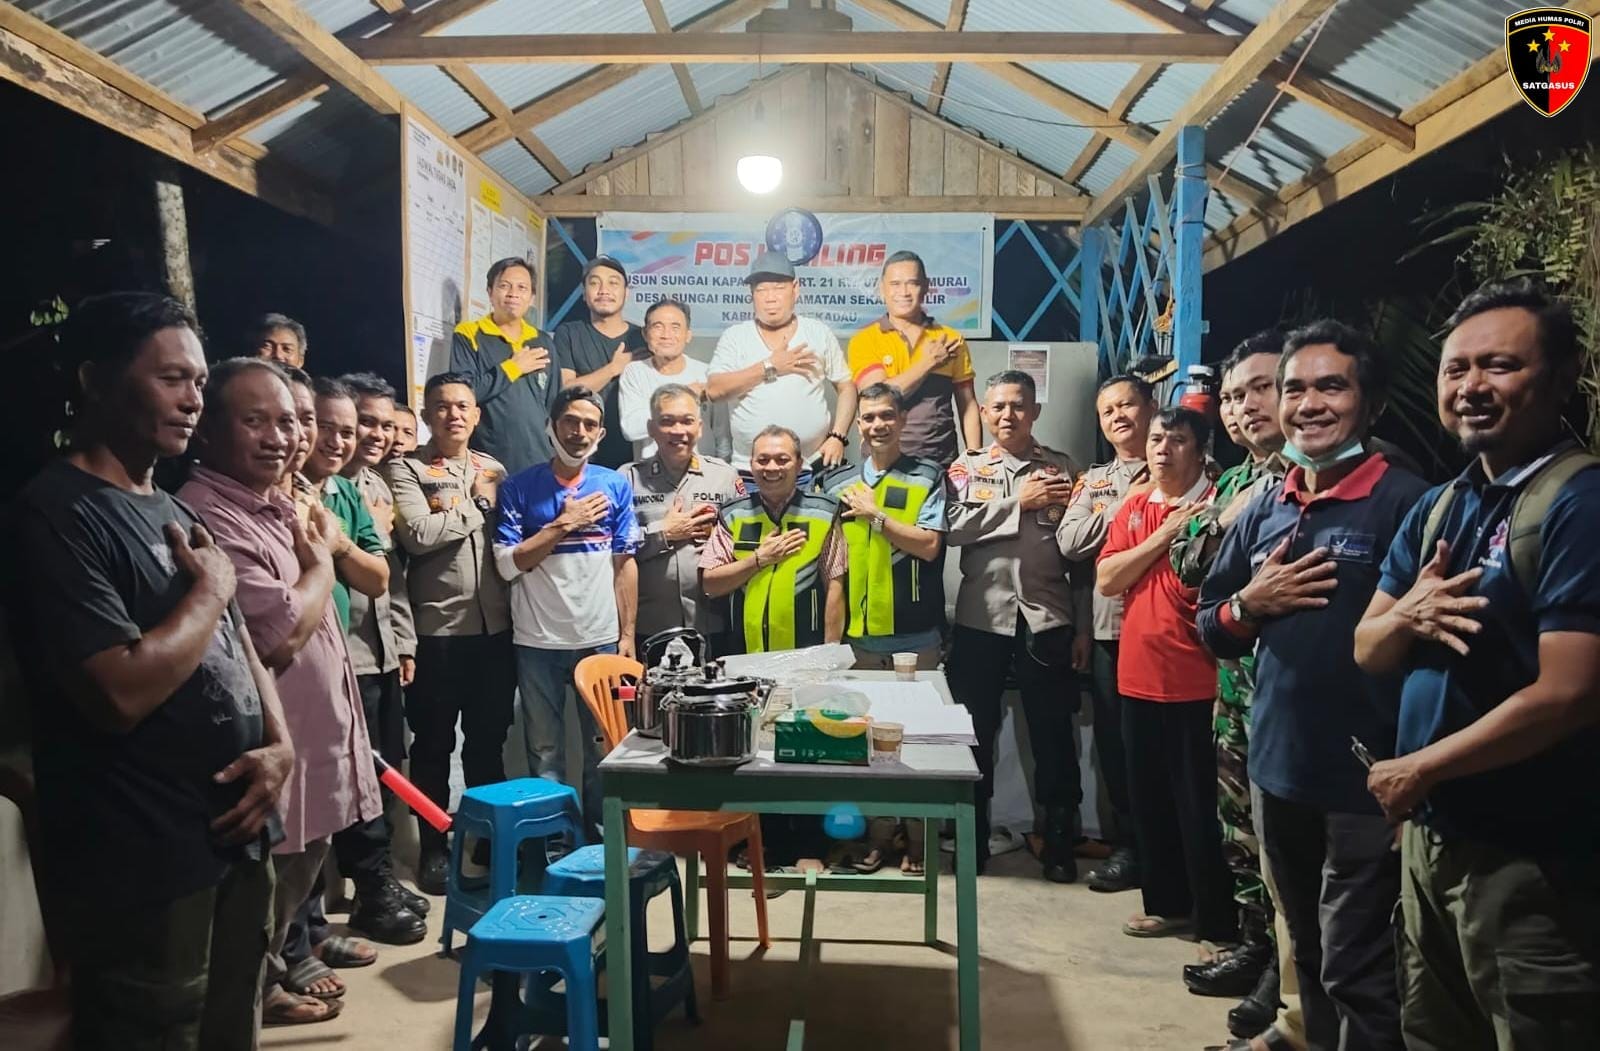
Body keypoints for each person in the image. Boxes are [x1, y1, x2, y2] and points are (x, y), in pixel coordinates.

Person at [4, 294, 292, 1048]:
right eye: (171, 379)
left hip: (234, 838)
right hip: (146, 861)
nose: (193, 399)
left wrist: (280, 742)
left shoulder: (166, 506)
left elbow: (238, 644)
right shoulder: (57, 514)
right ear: (96, 379)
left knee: (232, 1024)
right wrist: (211, 589)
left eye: (198, 381)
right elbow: (119, 690)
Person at [1355, 281, 1600, 1051]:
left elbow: (1570, 691)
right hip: (1433, 841)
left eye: (1499, 365)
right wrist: (1407, 615)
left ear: (1562, 377)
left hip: (1532, 858)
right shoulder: (1444, 504)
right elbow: (1368, 645)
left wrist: (1421, 766)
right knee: (1434, 1030)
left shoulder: (1577, 505)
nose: (1471, 386)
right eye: (1456, 368)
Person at [1198, 320, 1427, 1051]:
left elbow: (1438, 656)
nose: (1309, 404)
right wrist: (1248, 606)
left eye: (1332, 386)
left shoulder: (1411, 503)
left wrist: (1419, 772)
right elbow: (1211, 621)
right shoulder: (1268, 504)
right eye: (1295, 388)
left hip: (1366, 782)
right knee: (1309, 953)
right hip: (1275, 770)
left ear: (1371, 401)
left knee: (1361, 970)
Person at [179, 357, 383, 1028]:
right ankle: (258, 993)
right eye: (256, 421)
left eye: (292, 421)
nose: (282, 437)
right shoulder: (211, 515)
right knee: (257, 907)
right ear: (209, 429)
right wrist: (323, 560)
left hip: (315, 744)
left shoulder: (276, 504)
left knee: (291, 886)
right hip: (274, 753)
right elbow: (281, 633)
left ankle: (271, 977)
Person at [1170, 333, 1289, 1011]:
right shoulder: (1240, 483)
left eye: (1261, 389)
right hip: (1236, 684)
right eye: (1235, 396)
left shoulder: (1322, 479)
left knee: (1289, 840)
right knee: (1239, 823)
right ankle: (1256, 945)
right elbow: (1187, 562)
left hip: (1296, 691)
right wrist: (1225, 523)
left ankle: (1290, 971)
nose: (1245, 407)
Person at [945, 369, 1090, 882]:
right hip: (980, 620)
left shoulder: (1065, 470)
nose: (1008, 415)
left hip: (1046, 619)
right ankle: (972, 840)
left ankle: (1059, 842)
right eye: (999, 406)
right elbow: (952, 528)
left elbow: (1081, 557)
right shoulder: (966, 467)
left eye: (1019, 405)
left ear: (1035, 411)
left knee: (1054, 736)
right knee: (973, 735)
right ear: (985, 413)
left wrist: (1083, 627)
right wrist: (1017, 504)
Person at [1096, 406, 1233, 948]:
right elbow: (1108, 578)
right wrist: (1161, 537)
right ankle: (1167, 904)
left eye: (1176, 440)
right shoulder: (1135, 506)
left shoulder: (1220, 506)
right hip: (1137, 676)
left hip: (1198, 682)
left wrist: (1166, 537)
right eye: (1157, 439)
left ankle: (1217, 920)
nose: (1162, 449)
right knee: (1149, 800)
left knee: (1201, 807)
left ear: (1200, 450)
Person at [388, 372, 516, 895]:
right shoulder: (407, 469)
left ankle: (485, 841)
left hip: (495, 631)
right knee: (433, 746)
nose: (454, 415)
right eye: (442, 406)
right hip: (437, 632)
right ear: (427, 414)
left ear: (477, 415)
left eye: (463, 406)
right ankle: (434, 848)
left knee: (488, 744)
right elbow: (418, 535)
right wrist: (478, 505)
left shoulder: (494, 469)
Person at [817, 382, 949, 874]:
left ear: (903, 419)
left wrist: (877, 516)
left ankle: (917, 839)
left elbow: (930, 546)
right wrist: (831, 645)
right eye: (869, 417)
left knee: (917, 743)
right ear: (857, 425)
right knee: (866, 745)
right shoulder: (836, 482)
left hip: (916, 637)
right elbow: (833, 567)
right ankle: (876, 837)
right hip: (860, 641)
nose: (878, 425)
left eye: (887, 415)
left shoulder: (928, 475)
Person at [495, 385, 638, 835]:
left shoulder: (614, 485)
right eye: (570, 422)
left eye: (589, 424)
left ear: (601, 433)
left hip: (600, 640)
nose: (579, 432)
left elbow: (624, 563)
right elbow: (507, 564)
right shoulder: (519, 487)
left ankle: (600, 843)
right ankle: (553, 842)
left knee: (605, 750)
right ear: (551, 426)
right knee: (544, 752)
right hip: (537, 641)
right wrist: (563, 524)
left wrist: (627, 636)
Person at [332, 372, 427, 941]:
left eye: (384, 425)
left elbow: (391, 578)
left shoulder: (372, 486)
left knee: (386, 767)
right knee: (357, 773)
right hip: (341, 656)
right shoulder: (323, 490)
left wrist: (403, 641)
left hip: (382, 651)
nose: (375, 435)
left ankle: (380, 876)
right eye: (363, 423)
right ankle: (368, 888)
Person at [1059, 374, 1157, 893]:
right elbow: (1072, 543)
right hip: (1109, 630)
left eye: (1127, 405)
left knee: (1169, 746)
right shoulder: (1094, 481)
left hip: (1171, 632)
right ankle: (1131, 847)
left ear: (1151, 407)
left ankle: (1176, 851)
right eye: (1108, 411)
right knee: (1116, 745)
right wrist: (1130, 501)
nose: (1119, 416)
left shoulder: (1190, 467)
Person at [706, 249, 856, 482]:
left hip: (812, 469)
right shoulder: (735, 337)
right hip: (750, 471)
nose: (770, 297)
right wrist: (770, 366)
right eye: (761, 290)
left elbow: (846, 386)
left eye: (778, 288)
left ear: (795, 289)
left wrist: (838, 436)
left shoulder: (818, 333)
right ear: (752, 294)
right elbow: (715, 390)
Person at [619, 382, 742, 654]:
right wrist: (662, 533)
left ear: (700, 427)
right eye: (667, 421)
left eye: (687, 421)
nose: (678, 430)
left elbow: (743, 544)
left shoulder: (724, 477)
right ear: (651, 428)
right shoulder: (627, 479)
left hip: (713, 623)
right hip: (649, 627)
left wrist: (721, 540)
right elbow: (614, 550)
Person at [699, 426, 846, 652]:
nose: (771, 467)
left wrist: (830, 653)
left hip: (807, 652)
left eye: (782, 460)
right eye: (763, 460)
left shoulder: (823, 512)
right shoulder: (733, 514)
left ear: (799, 465)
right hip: (745, 653)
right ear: (751, 465)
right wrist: (758, 560)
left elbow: (835, 588)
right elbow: (710, 585)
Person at [846, 250, 981, 467]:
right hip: (883, 462)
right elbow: (879, 398)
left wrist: (976, 461)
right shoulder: (865, 340)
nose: (904, 292)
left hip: (941, 462)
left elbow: (968, 405)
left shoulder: (950, 339)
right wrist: (928, 363)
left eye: (912, 283)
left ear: (926, 287)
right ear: (882, 289)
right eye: (895, 284)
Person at [450, 257, 559, 475]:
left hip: (540, 460)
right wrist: (513, 368)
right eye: (504, 286)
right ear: (490, 292)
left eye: (522, 288)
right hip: (488, 463)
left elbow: (554, 403)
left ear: (532, 298)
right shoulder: (468, 334)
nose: (513, 294)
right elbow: (463, 394)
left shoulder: (543, 341)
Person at [303, 377, 390, 635]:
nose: (336, 442)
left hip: (339, 645)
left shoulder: (347, 492)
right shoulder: (277, 490)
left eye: (347, 433)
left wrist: (340, 544)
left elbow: (379, 581)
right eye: (325, 427)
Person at [555, 255, 649, 468]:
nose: (604, 290)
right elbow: (567, 390)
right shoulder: (568, 333)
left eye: (613, 283)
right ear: (584, 294)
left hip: (636, 455)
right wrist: (614, 368)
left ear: (626, 292)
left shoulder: (643, 337)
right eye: (595, 283)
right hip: (582, 452)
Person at [618, 298, 711, 461]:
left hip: (702, 470)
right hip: (650, 471)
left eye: (675, 327)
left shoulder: (707, 373)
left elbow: (721, 432)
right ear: (645, 334)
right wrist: (685, 395)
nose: (666, 335)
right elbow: (630, 429)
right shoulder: (635, 372)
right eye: (657, 327)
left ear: (688, 335)